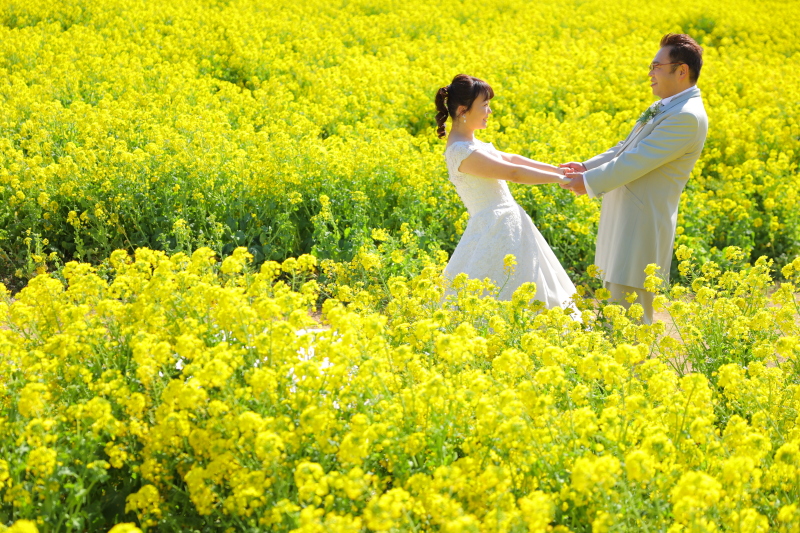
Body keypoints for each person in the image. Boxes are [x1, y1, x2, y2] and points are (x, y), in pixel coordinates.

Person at [560, 33, 708, 324]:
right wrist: (584, 168)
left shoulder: (686, 116)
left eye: (656, 66)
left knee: (629, 320)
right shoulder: (667, 106)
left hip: (639, 227)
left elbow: (635, 161)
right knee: (614, 312)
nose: (650, 74)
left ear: (681, 71)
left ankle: (636, 371)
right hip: (625, 220)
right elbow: (624, 149)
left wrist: (588, 183)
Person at [435, 74, 578, 313]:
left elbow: (511, 159)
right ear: (463, 110)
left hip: (508, 222)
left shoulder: (472, 143)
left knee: (528, 281)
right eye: (484, 106)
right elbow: (513, 173)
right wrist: (561, 179)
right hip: (495, 227)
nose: (489, 111)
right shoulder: (461, 151)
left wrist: (557, 168)